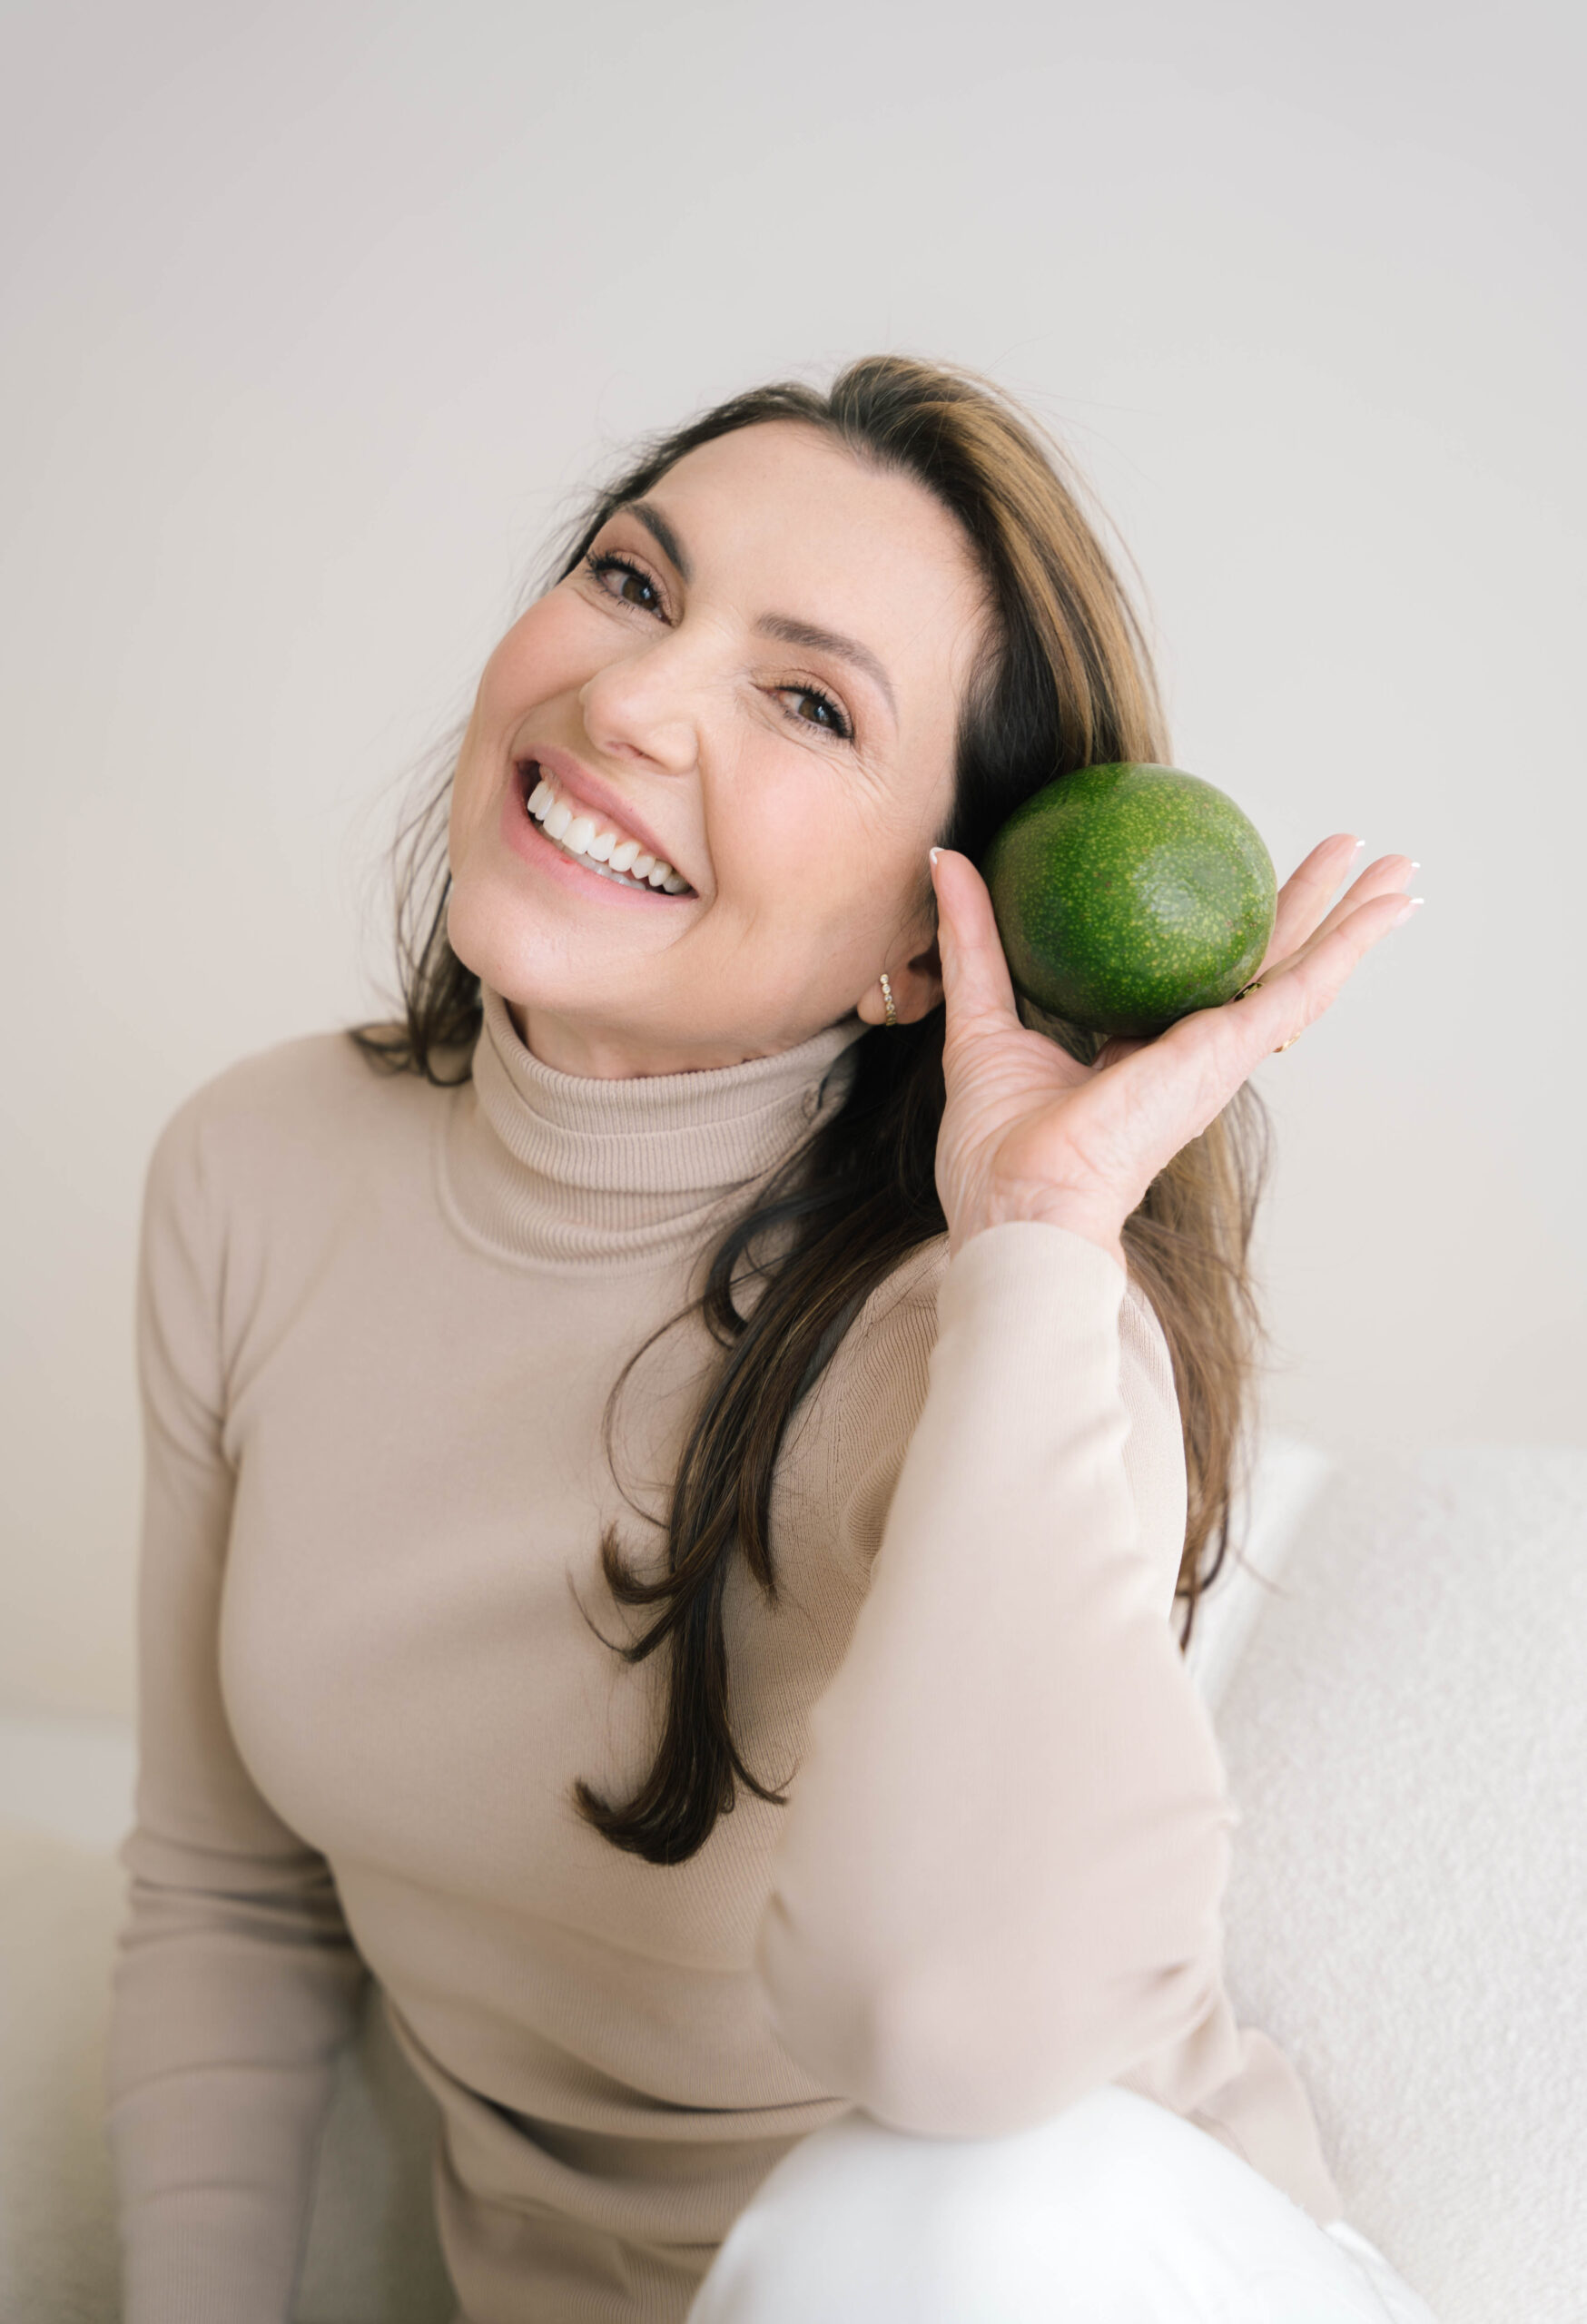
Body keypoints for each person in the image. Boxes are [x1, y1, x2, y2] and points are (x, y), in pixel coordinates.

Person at [104, 356, 1437, 2323]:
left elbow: (955, 2045)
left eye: (806, 700)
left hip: (1077, 2269)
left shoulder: (993, 1317)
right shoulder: (256, 1170)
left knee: (918, 2215)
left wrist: (1045, 1246)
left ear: (931, 938)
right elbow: (222, 1895)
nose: (628, 699)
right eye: (634, 582)